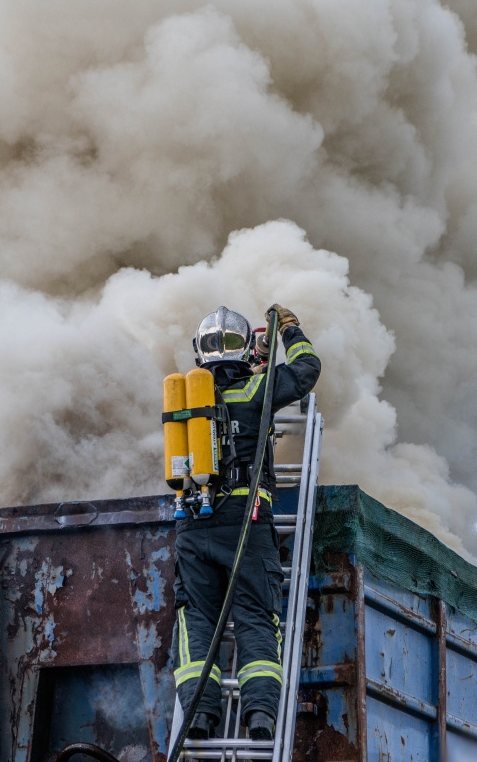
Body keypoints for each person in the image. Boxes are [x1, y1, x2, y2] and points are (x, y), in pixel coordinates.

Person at [171, 304, 321, 741]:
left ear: (200, 353)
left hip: (193, 524)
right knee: (256, 617)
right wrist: (290, 331)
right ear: (241, 353)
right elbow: (306, 370)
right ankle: (260, 716)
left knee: (197, 619)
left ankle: (198, 716)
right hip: (247, 523)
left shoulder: (185, 400)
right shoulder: (257, 389)